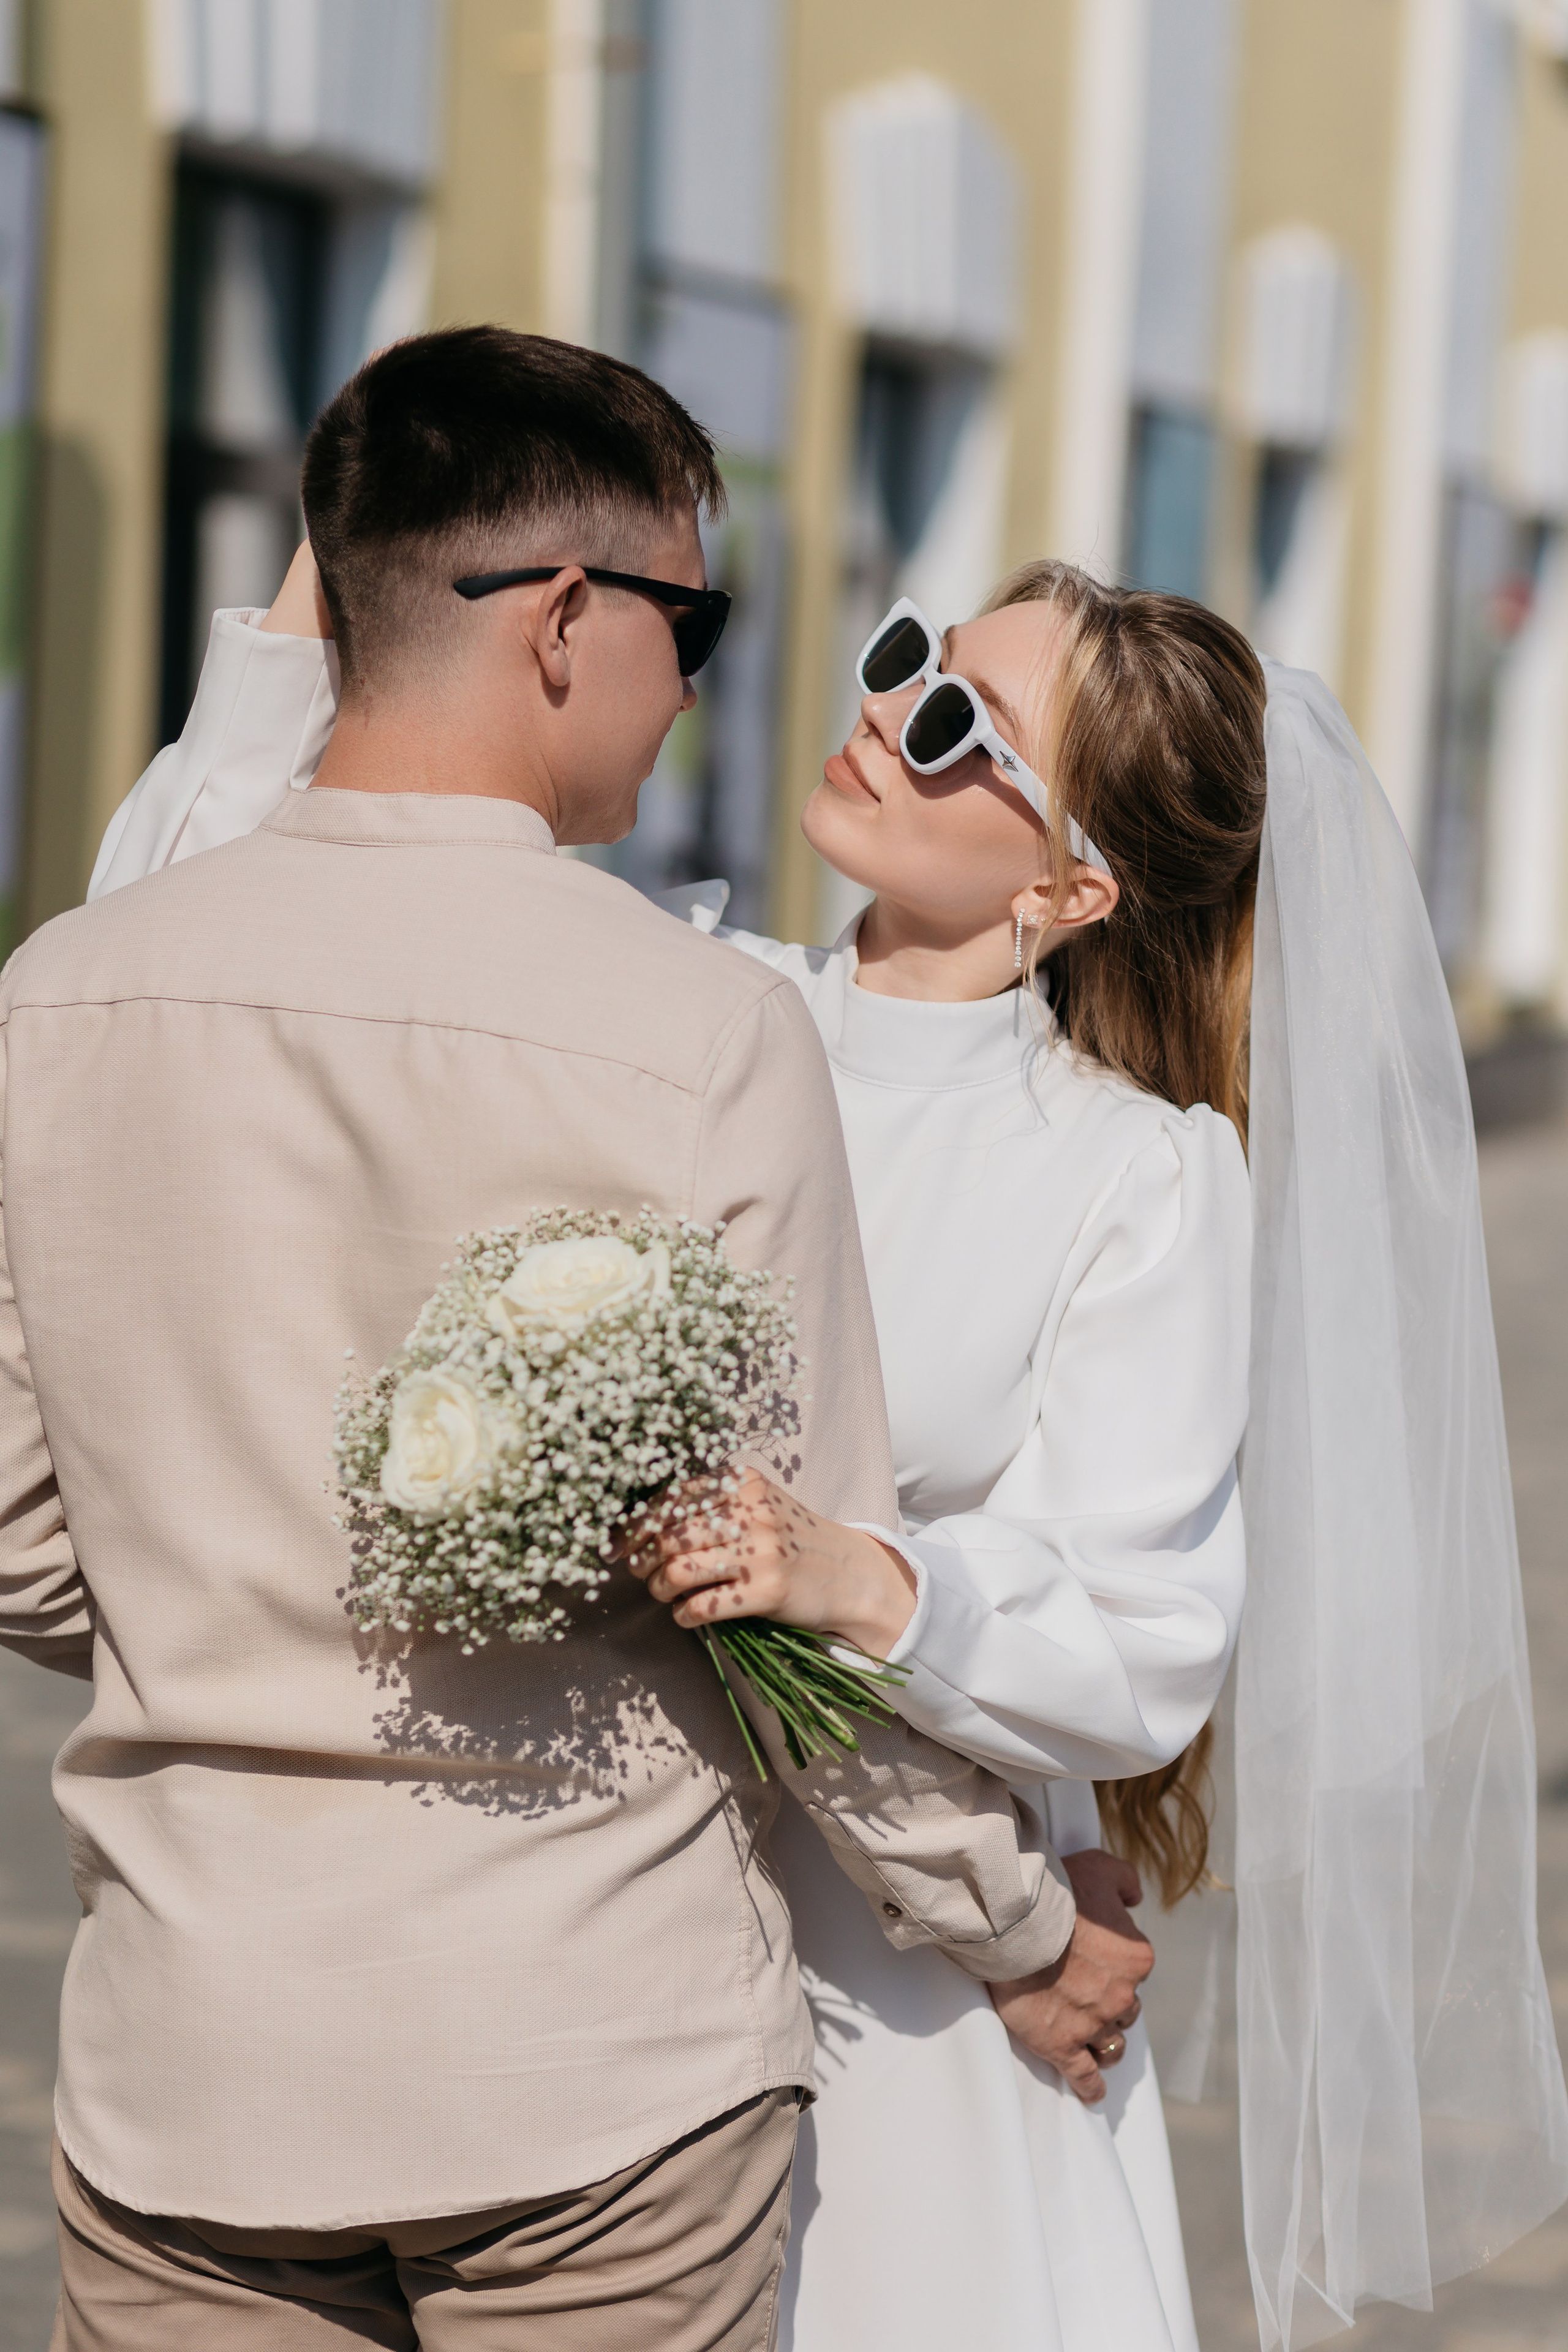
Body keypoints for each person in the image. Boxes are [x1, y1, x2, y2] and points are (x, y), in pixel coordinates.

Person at [93, 389, 1568, 2352]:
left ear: (1074, 890)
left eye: (959, 726)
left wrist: (861, 1578)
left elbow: (1147, 1634)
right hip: (602, 1922)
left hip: (931, 1997)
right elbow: (212, 920)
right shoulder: (689, 994)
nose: (882, 717)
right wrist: (346, 570)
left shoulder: (1135, 1176)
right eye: (905, 664)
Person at [0, 329, 1101, 2352]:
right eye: (692, 617)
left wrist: (237, 1596)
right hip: (591, 2071)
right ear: (568, 619)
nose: (700, 682)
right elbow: (792, 1602)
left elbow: (19, 1543)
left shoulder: (67, 992)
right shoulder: (698, 1034)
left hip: (190, 2063)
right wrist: (1015, 1929)